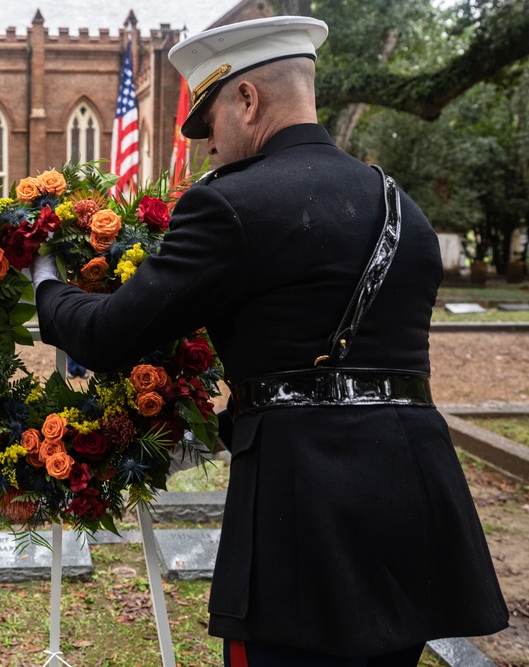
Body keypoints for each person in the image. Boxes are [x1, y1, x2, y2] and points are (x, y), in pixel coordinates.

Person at [31, 16, 507, 666]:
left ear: (247, 101)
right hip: (415, 514)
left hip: (301, 517)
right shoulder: (404, 209)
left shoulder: (233, 207)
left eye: (211, 127)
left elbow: (110, 334)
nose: (211, 150)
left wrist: (45, 281)